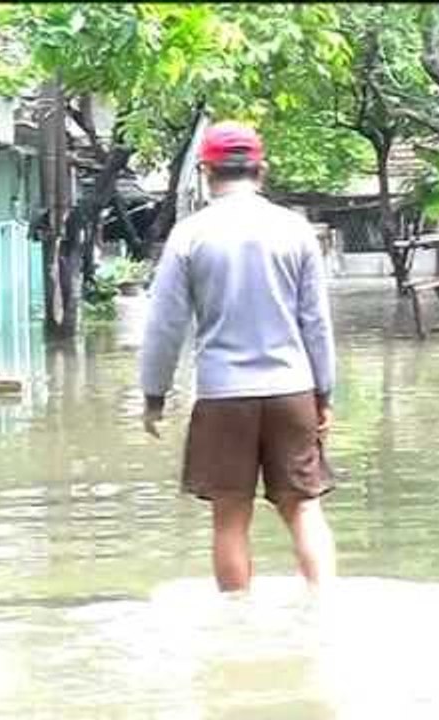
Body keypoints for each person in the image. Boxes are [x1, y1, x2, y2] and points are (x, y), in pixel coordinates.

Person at [139, 120, 337, 593]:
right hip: (292, 391)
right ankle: (326, 610)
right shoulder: (295, 231)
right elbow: (317, 322)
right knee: (304, 508)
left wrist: (154, 395)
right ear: (261, 169)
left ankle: (236, 629)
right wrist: (324, 394)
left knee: (230, 518)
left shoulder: (190, 235)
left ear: (206, 172)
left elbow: (165, 325)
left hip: (223, 395)